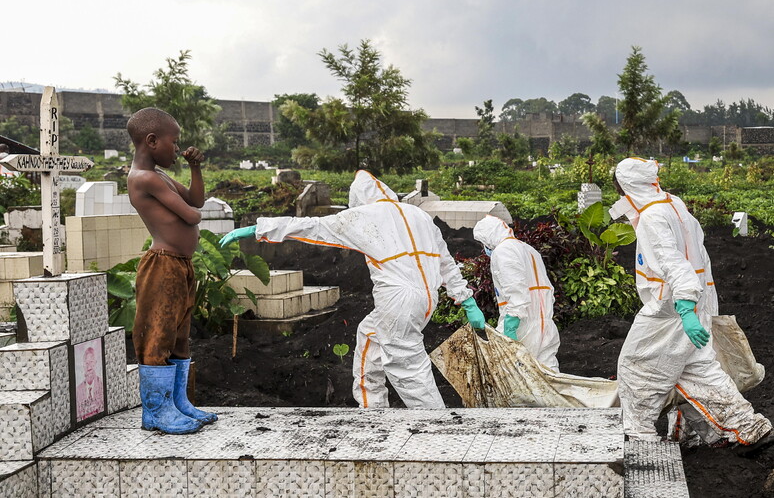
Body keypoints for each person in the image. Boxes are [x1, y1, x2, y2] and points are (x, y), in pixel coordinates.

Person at [220, 170, 486, 409]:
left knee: (407, 368)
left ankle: (436, 426)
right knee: (369, 334)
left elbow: (314, 226)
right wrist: (466, 301)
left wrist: (260, 229)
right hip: (427, 297)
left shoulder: (365, 215)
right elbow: (445, 261)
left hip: (398, 300)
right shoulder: (418, 215)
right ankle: (372, 407)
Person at [612, 156, 773, 454]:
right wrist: (699, 307)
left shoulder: (652, 217)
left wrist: (685, 308)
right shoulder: (674, 204)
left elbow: (675, 265)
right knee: (698, 369)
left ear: (628, 187)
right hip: (694, 301)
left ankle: (639, 435)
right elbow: (699, 254)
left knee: (636, 367)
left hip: (670, 308)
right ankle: (748, 425)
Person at [127, 107, 216, 434]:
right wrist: (191, 210)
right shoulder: (144, 178)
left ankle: (178, 404)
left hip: (180, 265)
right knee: (158, 335)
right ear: (152, 141)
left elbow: (196, 198)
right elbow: (193, 215)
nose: (178, 149)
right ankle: (156, 411)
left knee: (179, 335)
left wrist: (195, 168)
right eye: (174, 143)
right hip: (162, 266)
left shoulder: (160, 176)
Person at [472, 215, 560, 372]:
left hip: (522, 325)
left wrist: (511, 324)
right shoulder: (529, 250)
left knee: (506, 375)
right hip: (545, 324)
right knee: (548, 377)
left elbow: (516, 290)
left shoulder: (503, 251)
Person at [76, 346, 104, 420]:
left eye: (91, 362)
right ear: (83, 365)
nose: (89, 366)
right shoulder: (78, 390)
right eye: (86, 363)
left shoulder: (101, 384)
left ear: (95, 363)